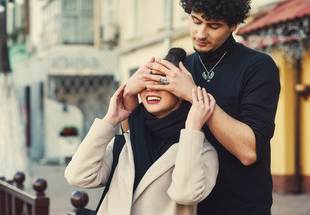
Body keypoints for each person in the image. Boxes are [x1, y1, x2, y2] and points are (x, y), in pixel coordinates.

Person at [131, 0, 281, 214]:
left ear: (233, 26)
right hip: (186, 205)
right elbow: (150, 133)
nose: (200, 33)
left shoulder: (258, 67)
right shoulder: (182, 67)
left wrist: (192, 94)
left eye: (213, 26)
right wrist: (128, 96)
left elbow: (249, 151)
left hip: (243, 206)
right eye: (195, 20)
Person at [64, 48, 219, 215]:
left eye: (162, 82)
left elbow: (185, 194)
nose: (151, 89)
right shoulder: (125, 142)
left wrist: (192, 128)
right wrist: (110, 119)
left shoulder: (201, 149)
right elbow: (78, 175)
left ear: (181, 93)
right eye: (146, 83)